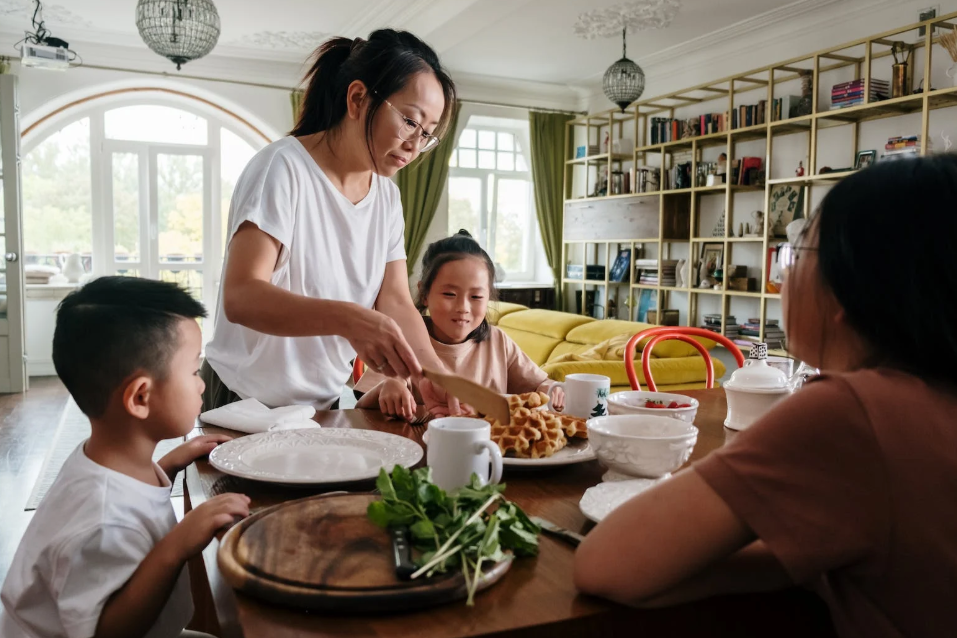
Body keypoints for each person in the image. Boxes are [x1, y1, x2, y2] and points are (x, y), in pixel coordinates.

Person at [573, 155, 957, 637]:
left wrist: (789, 563)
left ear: (848, 287)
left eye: (797, 254)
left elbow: (606, 564)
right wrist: (801, 559)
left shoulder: (853, 412)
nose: (783, 276)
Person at [202, 29, 459, 413]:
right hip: (242, 401)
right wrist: (352, 319)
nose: (415, 145)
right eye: (409, 121)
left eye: (427, 135)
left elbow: (395, 301)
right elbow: (242, 297)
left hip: (318, 406)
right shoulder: (283, 168)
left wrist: (434, 374)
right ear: (357, 99)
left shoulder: (387, 196)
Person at [0, 277, 249, 638]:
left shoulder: (104, 459)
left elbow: (127, 499)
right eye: (194, 371)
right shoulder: (102, 522)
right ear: (140, 398)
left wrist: (169, 463)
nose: (200, 384)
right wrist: (176, 545)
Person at [355, 231, 564, 421]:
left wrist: (552, 388)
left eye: (476, 296)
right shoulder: (402, 340)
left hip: (489, 454)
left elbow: (539, 385)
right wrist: (390, 385)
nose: (463, 307)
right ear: (425, 294)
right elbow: (360, 407)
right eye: (449, 294)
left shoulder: (498, 342)